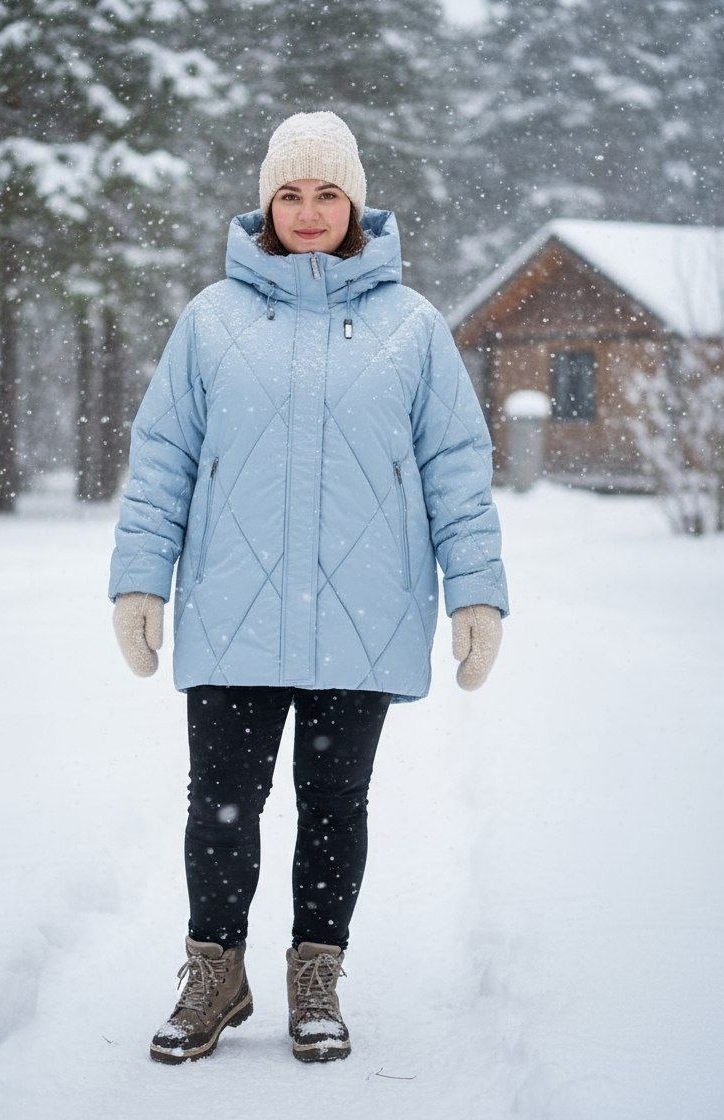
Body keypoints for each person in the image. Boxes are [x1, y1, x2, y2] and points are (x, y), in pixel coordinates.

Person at [108, 110, 510, 1065]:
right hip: (232, 601)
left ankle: (315, 975)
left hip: (363, 611)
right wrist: (139, 582)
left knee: (336, 802)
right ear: (266, 204)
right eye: (290, 193)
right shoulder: (210, 319)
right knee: (222, 802)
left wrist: (477, 594)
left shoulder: (413, 327)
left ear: (356, 202)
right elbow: (163, 456)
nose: (309, 209)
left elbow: (456, 463)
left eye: (327, 192)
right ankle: (215, 973)